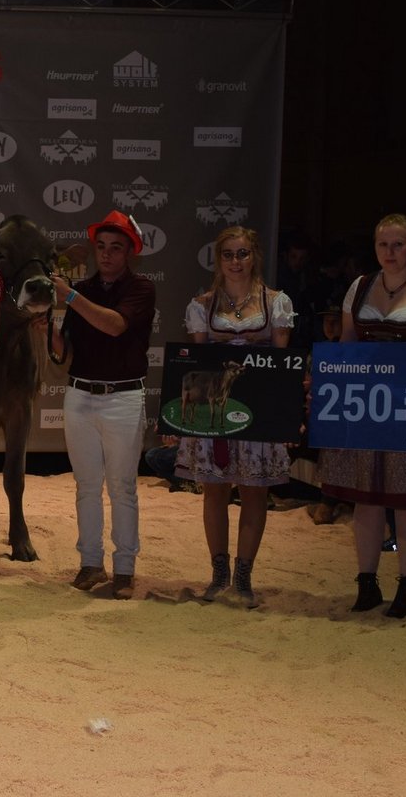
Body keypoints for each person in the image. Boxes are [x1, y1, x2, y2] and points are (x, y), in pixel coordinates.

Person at [317, 213, 406, 618]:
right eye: (383, 244)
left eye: (398, 244)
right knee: (365, 498)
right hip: (366, 405)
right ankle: (366, 584)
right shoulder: (359, 287)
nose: (390, 252)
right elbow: (347, 346)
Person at [175, 226, 295, 607]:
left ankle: (244, 577)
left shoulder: (276, 302)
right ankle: (218, 574)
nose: (236, 261)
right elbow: (198, 363)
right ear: (219, 259)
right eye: (228, 254)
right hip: (219, 410)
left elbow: (281, 366)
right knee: (214, 489)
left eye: (242, 253)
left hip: (258, 409)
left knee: (255, 490)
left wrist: (283, 417)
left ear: (254, 256)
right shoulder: (202, 305)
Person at [49, 210, 156, 599]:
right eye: (101, 247)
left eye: (116, 247)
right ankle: (90, 563)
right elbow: (65, 352)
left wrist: (69, 296)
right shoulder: (83, 288)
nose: (107, 254)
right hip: (79, 393)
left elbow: (114, 325)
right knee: (87, 486)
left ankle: (124, 569)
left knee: (122, 486)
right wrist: (44, 326)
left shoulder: (140, 288)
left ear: (129, 252)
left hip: (123, 396)